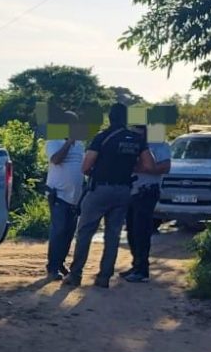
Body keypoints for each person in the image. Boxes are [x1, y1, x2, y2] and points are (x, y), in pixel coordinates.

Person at [64, 103, 157, 288]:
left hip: (100, 190)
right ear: (126, 119)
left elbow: (85, 166)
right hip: (123, 191)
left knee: (85, 233)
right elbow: (149, 165)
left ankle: (75, 275)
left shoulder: (102, 137)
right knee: (112, 236)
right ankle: (104, 277)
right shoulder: (136, 140)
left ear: (110, 118)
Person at [122, 126, 171, 283]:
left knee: (141, 231)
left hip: (147, 191)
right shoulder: (131, 144)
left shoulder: (158, 144)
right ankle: (136, 264)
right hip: (131, 191)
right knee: (131, 230)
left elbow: (165, 167)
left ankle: (142, 270)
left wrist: (144, 168)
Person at [44, 111, 85, 280]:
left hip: (75, 197)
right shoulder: (53, 141)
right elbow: (55, 160)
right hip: (58, 195)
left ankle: (60, 262)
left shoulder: (80, 144)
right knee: (58, 230)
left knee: (69, 232)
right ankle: (52, 267)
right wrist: (68, 143)